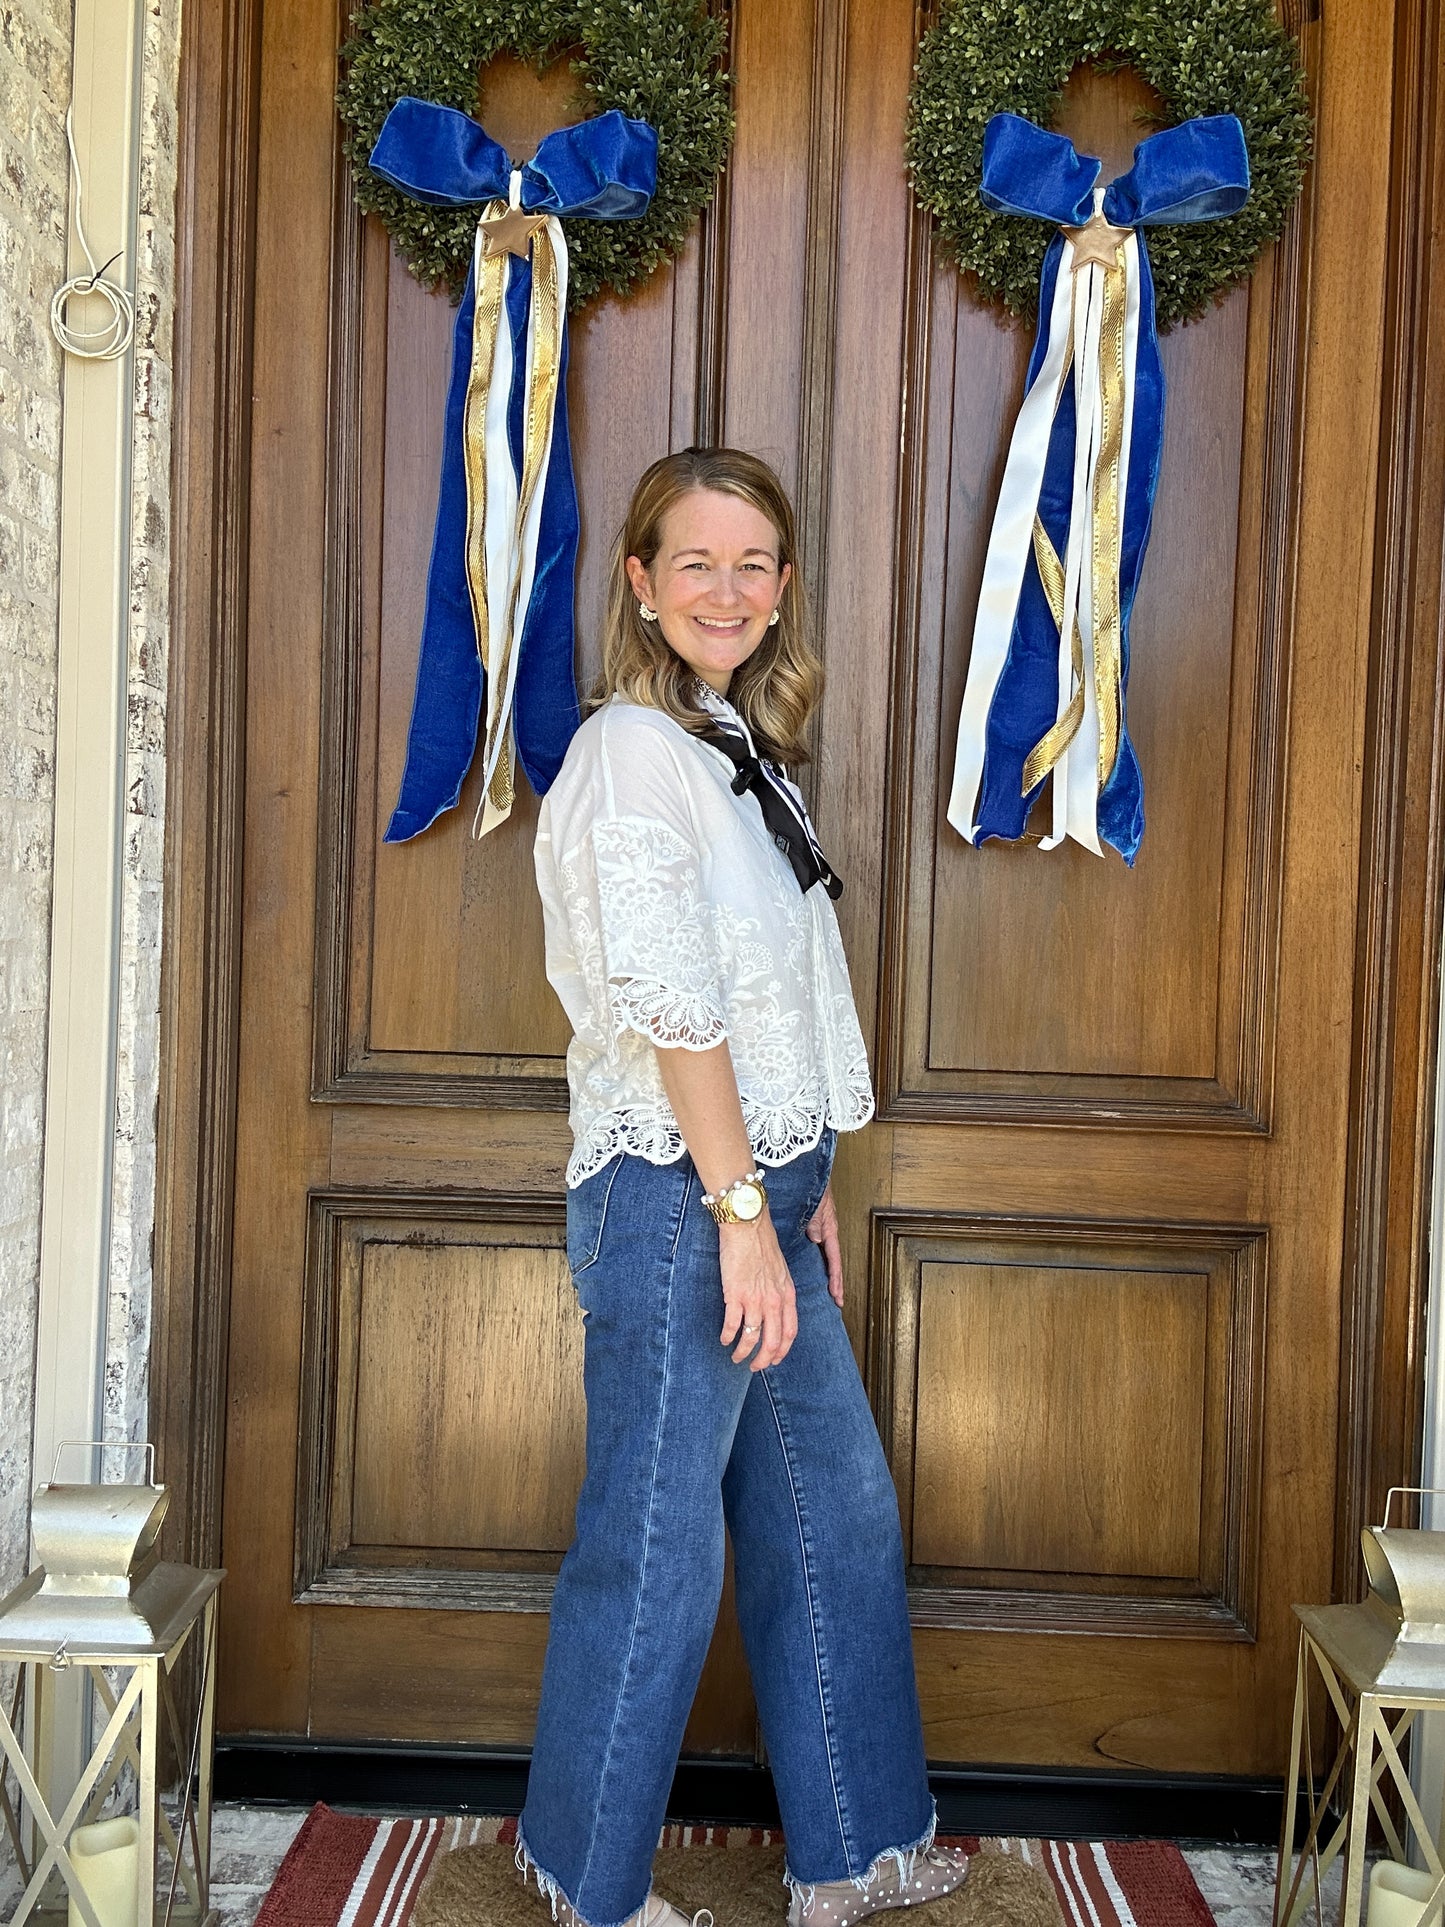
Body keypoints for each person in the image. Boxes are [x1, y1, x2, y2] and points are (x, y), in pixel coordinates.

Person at [518, 448, 968, 1927]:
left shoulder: (726, 740)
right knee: (654, 1543)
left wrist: (801, 1182)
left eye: (754, 564)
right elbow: (671, 1002)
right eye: (695, 562)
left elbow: (777, 990)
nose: (728, 589)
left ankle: (854, 1851)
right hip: (674, 1201)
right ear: (638, 584)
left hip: (755, 1187)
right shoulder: (628, 755)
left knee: (825, 1511)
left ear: (783, 589)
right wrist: (732, 1212)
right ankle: (584, 1877)